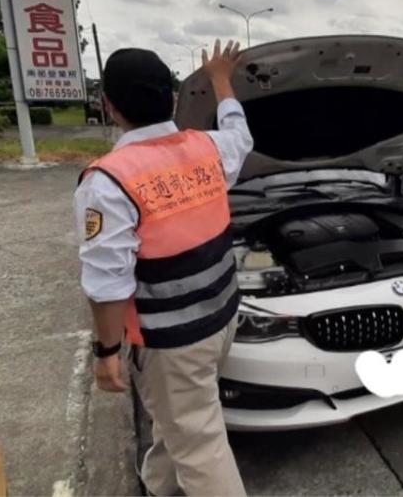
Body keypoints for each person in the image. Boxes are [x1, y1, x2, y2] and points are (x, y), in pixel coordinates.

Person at [74, 39, 251, 495]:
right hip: (222, 319)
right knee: (184, 421)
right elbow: (240, 134)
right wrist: (220, 80)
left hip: (172, 340)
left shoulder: (110, 180)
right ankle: (157, 488)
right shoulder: (206, 148)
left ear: (108, 105)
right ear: (172, 99)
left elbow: (107, 283)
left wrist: (106, 351)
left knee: (200, 442)